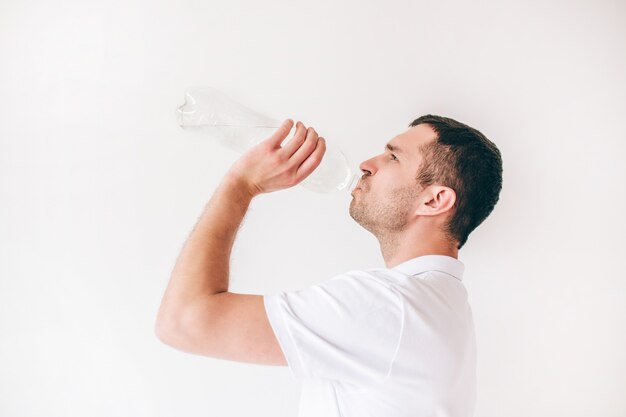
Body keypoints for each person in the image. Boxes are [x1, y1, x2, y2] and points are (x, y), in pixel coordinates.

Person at [155, 116, 503, 417]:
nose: (368, 163)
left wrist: (240, 185)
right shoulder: (439, 302)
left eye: (393, 157)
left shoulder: (389, 305)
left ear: (435, 199)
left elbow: (184, 322)